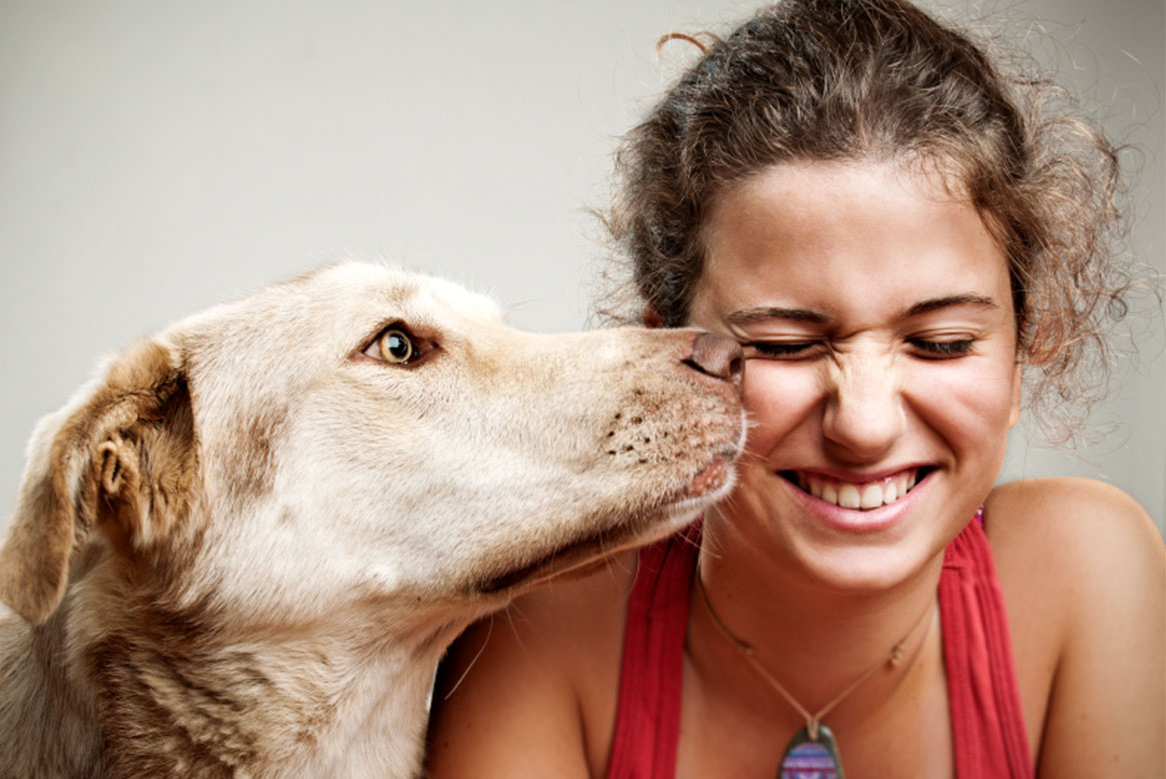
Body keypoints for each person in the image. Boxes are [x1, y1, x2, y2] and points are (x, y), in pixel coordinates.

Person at [424, 0, 1164, 776]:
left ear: (1018, 357)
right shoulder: (546, 614)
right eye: (785, 345)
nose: (865, 424)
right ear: (667, 359)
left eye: (940, 343)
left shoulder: (1086, 571)